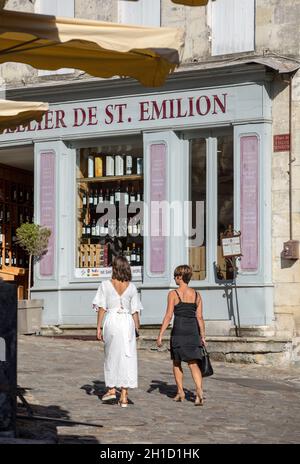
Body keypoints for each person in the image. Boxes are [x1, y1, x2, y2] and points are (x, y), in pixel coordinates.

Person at [92, 255, 142, 407]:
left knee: (111, 355)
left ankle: (112, 389)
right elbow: (135, 311)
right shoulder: (132, 287)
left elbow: (102, 307)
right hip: (127, 321)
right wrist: (137, 328)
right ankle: (124, 396)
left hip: (112, 320)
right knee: (128, 356)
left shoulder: (106, 285)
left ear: (114, 268)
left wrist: (98, 326)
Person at [156, 264, 206, 406]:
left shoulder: (173, 294)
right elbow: (200, 317)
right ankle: (199, 391)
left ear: (180, 277)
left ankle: (180, 392)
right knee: (193, 363)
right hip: (193, 332)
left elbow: (168, 315)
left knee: (177, 362)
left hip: (179, 331)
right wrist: (202, 336)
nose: (174, 279)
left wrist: (160, 334)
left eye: (175, 276)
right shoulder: (197, 295)